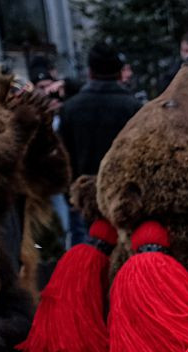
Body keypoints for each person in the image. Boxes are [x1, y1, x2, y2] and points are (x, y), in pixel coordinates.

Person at [57, 43, 140, 246]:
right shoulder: (133, 108)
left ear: (90, 71)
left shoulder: (70, 108)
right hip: (123, 197)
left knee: (86, 256)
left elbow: (63, 156)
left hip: (84, 197)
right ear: (120, 72)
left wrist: (70, 193)